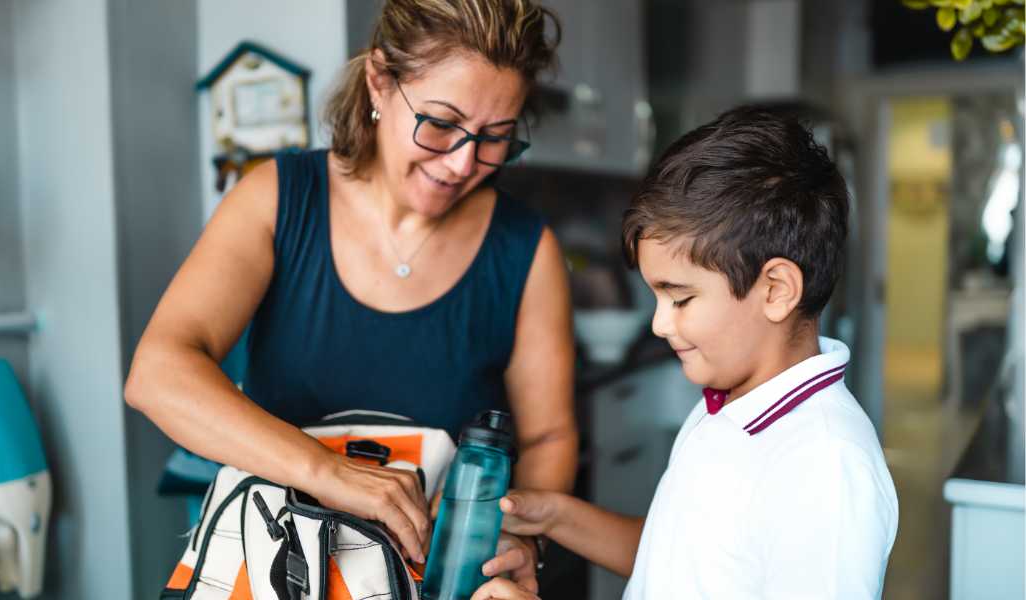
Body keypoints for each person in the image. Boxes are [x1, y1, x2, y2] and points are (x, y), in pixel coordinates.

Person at [125, 0, 577, 590]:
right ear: (379, 82)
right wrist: (328, 472)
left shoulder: (527, 250)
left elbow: (548, 437)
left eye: (495, 138)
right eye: (440, 123)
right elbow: (157, 374)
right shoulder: (277, 198)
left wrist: (519, 538)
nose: (464, 163)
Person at [472, 106, 900, 600]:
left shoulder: (823, 467)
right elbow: (676, 559)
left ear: (777, 290)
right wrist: (555, 513)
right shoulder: (728, 399)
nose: (659, 323)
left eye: (680, 298)